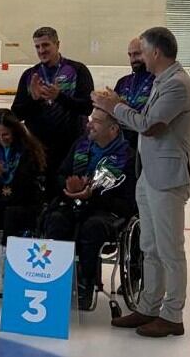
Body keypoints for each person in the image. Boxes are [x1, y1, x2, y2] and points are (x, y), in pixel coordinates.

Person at [93, 27, 190, 338]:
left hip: (167, 178)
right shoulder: (163, 81)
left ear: (155, 53)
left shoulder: (177, 84)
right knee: (149, 247)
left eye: (142, 51)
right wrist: (120, 102)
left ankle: (172, 314)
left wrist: (114, 108)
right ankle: (149, 306)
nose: (137, 56)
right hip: (149, 174)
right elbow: (144, 116)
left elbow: (150, 126)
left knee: (170, 249)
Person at [42, 108, 136, 310]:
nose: (89, 124)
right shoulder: (81, 145)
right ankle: (56, 279)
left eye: (96, 121)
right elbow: (60, 175)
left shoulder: (127, 157)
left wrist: (92, 195)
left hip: (106, 210)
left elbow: (128, 203)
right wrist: (69, 186)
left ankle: (86, 282)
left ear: (113, 129)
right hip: (73, 204)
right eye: (90, 119)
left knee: (91, 227)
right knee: (56, 220)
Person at [12, 27, 94, 195]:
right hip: (39, 147)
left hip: (70, 147)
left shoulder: (78, 70)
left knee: (64, 192)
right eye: (37, 47)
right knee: (41, 195)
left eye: (45, 45)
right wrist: (34, 101)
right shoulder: (29, 75)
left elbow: (87, 107)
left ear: (57, 44)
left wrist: (59, 97)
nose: (41, 50)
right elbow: (16, 114)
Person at [0, 108, 46, 294]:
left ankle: (3, 274)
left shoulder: (27, 152)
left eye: (5, 134)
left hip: (23, 203)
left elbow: (27, 186)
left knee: (11, 214)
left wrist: (4, 173)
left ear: (14, 131)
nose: (1, 138)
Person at [113, 38, 154, 150]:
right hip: (121, 148)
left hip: (146, 146)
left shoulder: (158, 82)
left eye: (137, 54)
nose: (132, 59)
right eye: (130, 55)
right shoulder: (123, 82)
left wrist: (121, 108)